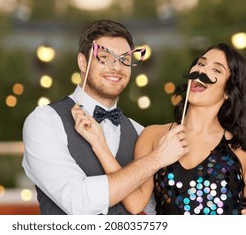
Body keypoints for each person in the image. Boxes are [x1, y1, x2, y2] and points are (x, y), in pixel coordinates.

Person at [73, 43, 246, 215]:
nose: (202, 71)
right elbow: (134, 203)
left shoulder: (244, 143)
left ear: (228, 91)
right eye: (200, 63)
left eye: (216, 70)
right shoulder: (154, 135)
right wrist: (99, 144)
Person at [22, 19, 189, 215]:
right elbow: (79, 202)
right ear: (82, 62)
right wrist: (157, 158)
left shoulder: (139, 132)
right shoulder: (44, 121)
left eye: (124, 59)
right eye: (105, 57)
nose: (116, 67)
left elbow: (156, 208)